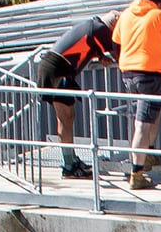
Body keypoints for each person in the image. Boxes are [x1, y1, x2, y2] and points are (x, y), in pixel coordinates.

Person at [33, 11, 119, 179]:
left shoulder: (93, 25)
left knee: (66, 117)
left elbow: (89, 45)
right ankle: (68, 165)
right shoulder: (101, 29)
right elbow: (118, 53)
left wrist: (100, 55)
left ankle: (70, 160)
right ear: (114, 23)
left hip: (57, 68)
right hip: (57, 70)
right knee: (66, 118)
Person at [112, 0, 161, 189]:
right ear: (160, 3)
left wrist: (122, 61)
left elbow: (115, 43)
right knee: (142, 124)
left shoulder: (125, 15)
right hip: (150, 76)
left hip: (128, 75)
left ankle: (148, 154)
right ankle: (137, 174)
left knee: (151, 115)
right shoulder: (158, 16)